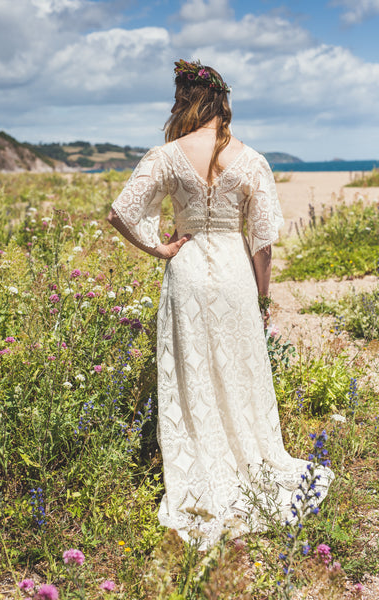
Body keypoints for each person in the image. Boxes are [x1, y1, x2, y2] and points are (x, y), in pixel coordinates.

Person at [107, 59, 334, 548]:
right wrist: (263, 298)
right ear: (222, 102)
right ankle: (248, 459)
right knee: (240, 369)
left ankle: (200, 469)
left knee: (191, 372)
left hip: (187, 270)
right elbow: (263, 244)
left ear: (184, 101)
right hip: (233, 271)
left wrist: (159, 248)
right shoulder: (252, 159)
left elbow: (120, 212)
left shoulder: (166, 155)